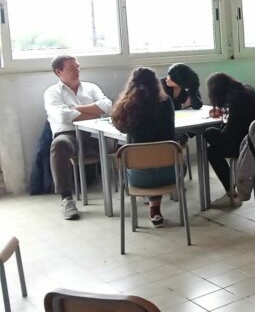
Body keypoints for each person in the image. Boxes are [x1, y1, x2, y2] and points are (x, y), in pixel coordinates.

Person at [43, 55, 112, 220]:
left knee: (127, 138)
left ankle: (141, 188)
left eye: (78, 67)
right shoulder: (52, 92)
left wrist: (75, 109)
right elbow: (63, 116)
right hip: (69, 135)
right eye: (72, 69)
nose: (77, 71)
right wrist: (93, 112)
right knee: (59, 145)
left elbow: (107, 106)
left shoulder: (91, 87)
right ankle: (66, 199)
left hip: (95, 133)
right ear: (59, 72)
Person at [111, 68, 176, 227]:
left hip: (138, 178)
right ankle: (155, 207)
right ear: (156, 83)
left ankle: (153, 205)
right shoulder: (166, 102)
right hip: (170, 175)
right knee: (162, 157)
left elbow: (120, 127)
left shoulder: (127, 106)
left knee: (142, 159)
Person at [205, 72, 255, 207]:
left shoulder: (236, 100)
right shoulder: (247, 90)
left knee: (211, 147)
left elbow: (231, 133)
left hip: (248, 145)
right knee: (213, 135)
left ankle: (231, 192)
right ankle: (231, 190)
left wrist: (218, 128)